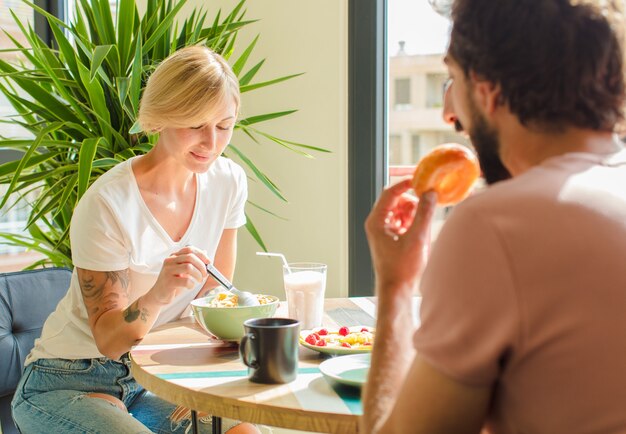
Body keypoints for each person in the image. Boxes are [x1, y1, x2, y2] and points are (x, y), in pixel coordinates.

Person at [361, 0, 626, 433]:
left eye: (453, 78)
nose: (449, 113)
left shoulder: (497, 226)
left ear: (488, 90)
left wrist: (395, 286)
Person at [11, 46, 263, 434]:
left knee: (244, 430)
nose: (211, 143)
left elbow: (214, 297)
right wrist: (160, 291)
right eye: (195, 124)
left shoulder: (229, 182)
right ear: (162, 117)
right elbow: (110, 340)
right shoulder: (109, 203)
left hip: (154, 375)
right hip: (68, 378)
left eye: (224, 126)